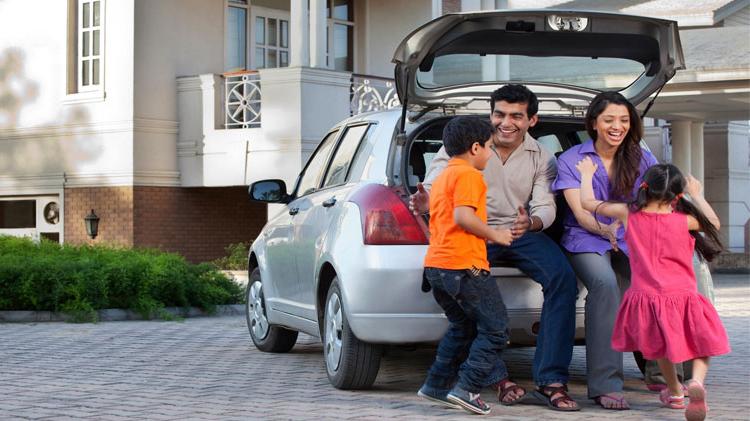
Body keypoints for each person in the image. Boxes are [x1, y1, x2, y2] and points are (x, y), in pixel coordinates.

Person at [412, 85, 579, 411]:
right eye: (499, 114)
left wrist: (529, 223)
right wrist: (424, 202)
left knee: (563, 279)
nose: (506, 122)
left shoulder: (542, 157)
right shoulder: (462, 149)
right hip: (472, 235)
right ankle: (498, 379)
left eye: (516, 116)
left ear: (532, 120)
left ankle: (551, 380)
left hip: (519, 231)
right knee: (474, 299)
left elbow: (546, 206)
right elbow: (434, 187)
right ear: (491, 115)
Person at [576, 159, 730, 421]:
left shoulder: (629, 214)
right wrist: (698, 195)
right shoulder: (684, 221)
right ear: (677, 195)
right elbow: (713, 223)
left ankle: (675, 393)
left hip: (647, 298)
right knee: (701, 342)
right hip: (683, 295)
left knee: (660, 349)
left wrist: (587, 175)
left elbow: (588, 204)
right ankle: (696, 382)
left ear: (645, 186)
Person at [552, 91, 657, 409]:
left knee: (655, 284)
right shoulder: (572, 160)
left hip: (631, 237)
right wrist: (605, 228)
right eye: (609, 119)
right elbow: (581, 213)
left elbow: (656, 202)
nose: (617, 126)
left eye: (624, 120)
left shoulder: (641, 157)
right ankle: (605, 385)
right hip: (585, 238)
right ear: (594, 123)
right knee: (605, 285)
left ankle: (664, 376)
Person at [417, 116, 515, 416]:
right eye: (489, 147)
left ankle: (435, 386)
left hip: (437, 267)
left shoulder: (445, 174)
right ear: (475, 148)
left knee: (462, 327)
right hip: (465, 267)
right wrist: (496, 234)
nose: (491, 152)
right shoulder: (470, 176)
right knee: (496, 329)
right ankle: (467, 388)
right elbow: (463, 217)